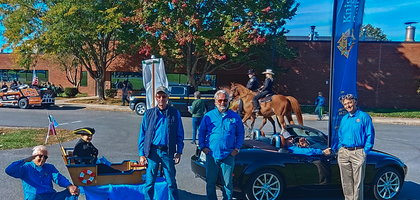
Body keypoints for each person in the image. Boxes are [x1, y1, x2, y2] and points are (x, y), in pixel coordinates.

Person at [138, 85, 184, 200]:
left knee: (171, 182)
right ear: (156, 97)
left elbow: (180, 134)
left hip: (167, 152)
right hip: (152, 152)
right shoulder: (148, 113)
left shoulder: (175, 113)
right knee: (149, 183)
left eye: (164, 96)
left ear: (168, 97)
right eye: (159, 96)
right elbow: (142, 134)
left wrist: (179, 152)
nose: (161, 99)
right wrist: (142, 154)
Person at [198, 90, 245, 200]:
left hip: (228, 155)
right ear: (215, 102)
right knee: (210, 182)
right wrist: (203, 147)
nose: (222, 102)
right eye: (220, 100)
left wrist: (237, 148)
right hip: (212, 154)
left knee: (227, 184)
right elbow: (201, 132)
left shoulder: (235, 117)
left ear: (228, 101)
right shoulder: (208, 116)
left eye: (225, 100)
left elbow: (240, 133)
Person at [5, 145, 79, 200]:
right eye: (40, 156)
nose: (43, 159)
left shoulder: (49, 167)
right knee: (33, 198)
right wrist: (24, 161)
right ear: (34, 156)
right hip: (36, 196)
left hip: (51, 196)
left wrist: (69, 186)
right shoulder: (25, 167)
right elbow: (9, 170)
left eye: (45, 157)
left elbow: (59, 178)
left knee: (74, 191)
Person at [337, 94, 375, 200]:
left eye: (349, 102)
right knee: (346, 182)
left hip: (358, 152)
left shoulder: (364, 117)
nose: (348, 105)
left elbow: (370, 135)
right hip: (344, 152)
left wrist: (365, 151)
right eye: (345, 104)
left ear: (355, 102)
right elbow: (340, 134)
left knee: (357, 183)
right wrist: (340, 148)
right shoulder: (344, 119)